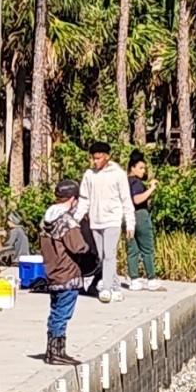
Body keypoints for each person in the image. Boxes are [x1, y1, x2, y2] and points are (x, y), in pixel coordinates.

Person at [40, 180, 93, 365]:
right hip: (68, 274)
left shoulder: (46, 219)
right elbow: (78, 247)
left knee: (55, 311)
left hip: (53, 272)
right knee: (62, 313)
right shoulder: (67, 221)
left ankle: (51, 350)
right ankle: (56, 352)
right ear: (72, 199)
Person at [76, 139, 134, 303]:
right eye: (93, 158)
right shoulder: (89, 175)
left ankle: (106, 288)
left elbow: (126, 200)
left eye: (99, 158)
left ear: (107, 157)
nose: (95, 161)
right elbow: (84, 199)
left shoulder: (119, 175)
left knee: (109, 254)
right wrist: (75, 220)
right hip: (96, 221)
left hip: (112, 220)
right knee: (101, 257)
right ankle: (115, 287)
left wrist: (130, 223)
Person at [125, 150, 164, 291]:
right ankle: (151, 278)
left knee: (132, 249)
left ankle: (134, 279)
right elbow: (137, 199)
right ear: (133, 168)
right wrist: (151, 189)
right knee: (147, 248)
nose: (143, 171)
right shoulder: (136, 183)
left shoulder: (125, 182)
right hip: (140, 215)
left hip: (127, 216)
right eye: (141, 168)